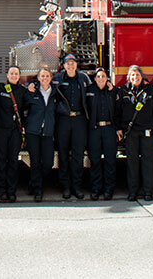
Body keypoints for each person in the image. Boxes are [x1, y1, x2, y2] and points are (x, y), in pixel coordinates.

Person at [116, 64, 153, 201]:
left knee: (149, 162)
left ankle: (148, 192)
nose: (135, 77)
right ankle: (133, 192)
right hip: (131, 132)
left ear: (142, 77)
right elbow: (117, 112)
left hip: (147, 132)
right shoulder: (123, 92)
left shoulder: (151, 91)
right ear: (129, 78)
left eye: (137, 75)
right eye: (132, 75)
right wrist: (118, 128)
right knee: (132, 163)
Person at [52, 54, 92, 199]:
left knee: (78, 155)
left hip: (80, 120)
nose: (70, 66)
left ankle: (77, 186)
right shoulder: (57, 79)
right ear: (63, 66)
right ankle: (66, 187)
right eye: (67, 64)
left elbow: (92, 93)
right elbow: (46, 87)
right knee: (63, 154)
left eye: (73, 63)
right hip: (63, 120)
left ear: (76, 65)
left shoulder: (84, 78)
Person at [0, 66, 28, 202]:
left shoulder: (23, 91)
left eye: (16, 74)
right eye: (11, 73)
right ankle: (2, 190)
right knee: (1, 161)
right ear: (7, 75)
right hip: (1, 131)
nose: (13, 76)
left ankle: (11, 191)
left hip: (15, 132)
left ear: (19, 76)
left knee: (13, 161)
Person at [84, 67, 119, 200]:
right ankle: (96, 189)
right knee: (95, 161)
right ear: (94, 79)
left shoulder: (113, 91)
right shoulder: (89, 91)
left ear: (107, 78)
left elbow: (118, 109)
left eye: (103, 76)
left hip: (109, 129)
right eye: (98, 77)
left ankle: (109, 190)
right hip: (95, 130)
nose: (101, 79)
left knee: (110, 161)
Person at [24, 65, 57, 202]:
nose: (45, 78)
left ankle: (33, 182)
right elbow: (24, 108)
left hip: (48, 132)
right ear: (38, 78)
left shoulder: (56, 92)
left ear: (51, 78)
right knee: (35, 162)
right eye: (42, 76)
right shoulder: (32, 92)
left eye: (47, 76)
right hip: (33, 132)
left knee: (48, 163)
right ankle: (38, 190)